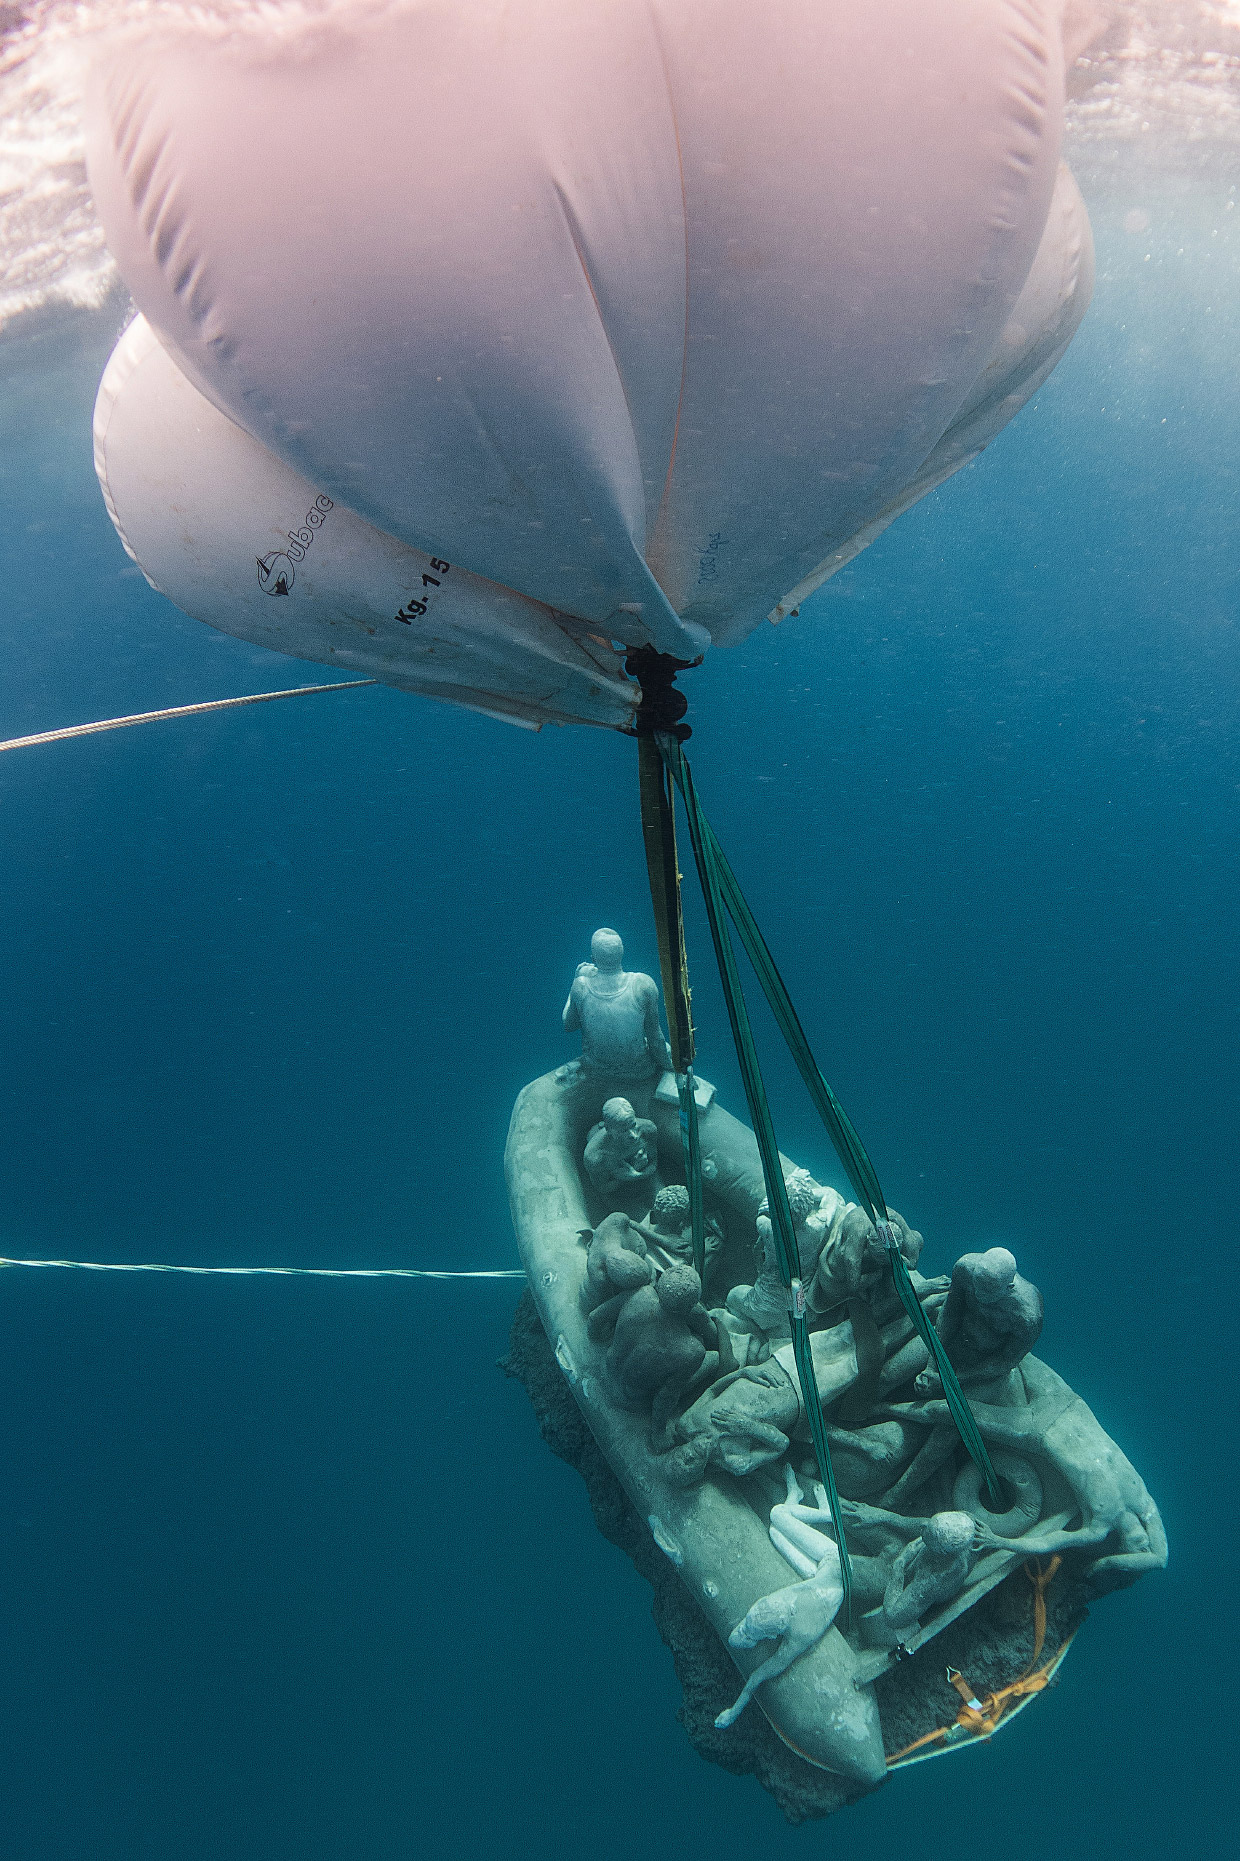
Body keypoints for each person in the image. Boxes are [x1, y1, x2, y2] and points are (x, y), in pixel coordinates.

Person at [915, 1247, 1043, 1394]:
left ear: (1009, 1288)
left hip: (984, 1366)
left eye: (988, 1291)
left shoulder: (1027, 1316)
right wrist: (931, 1366)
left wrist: (951, 1380)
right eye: (976, 1285)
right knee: (889, 1376)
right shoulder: (964, 1268)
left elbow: (1005, 1361)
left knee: (944, 1411)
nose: (978, 1295)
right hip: (952, 1341)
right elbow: (950, 1313)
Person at [562, 928, 673, 1082]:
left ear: (593, 957)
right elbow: (655, 1038)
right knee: (667, 1048)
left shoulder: (580, 986)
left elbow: (569, 1025)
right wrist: (669, 1068)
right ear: (622, 952)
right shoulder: (643, 984)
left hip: (597, 1071)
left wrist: (576, 980)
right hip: (639, 1072)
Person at [582, 1097, 659, 1214]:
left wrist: (637, 1173)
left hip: (639, 1175)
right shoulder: (596, 1156)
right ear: (608, 1129)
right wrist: (633, 1174)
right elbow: (602, 1188)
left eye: (633, 1125)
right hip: (615, 1190)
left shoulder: (648, 1129)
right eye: (623, 1130)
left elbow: (654, 1162)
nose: (633, 1135)